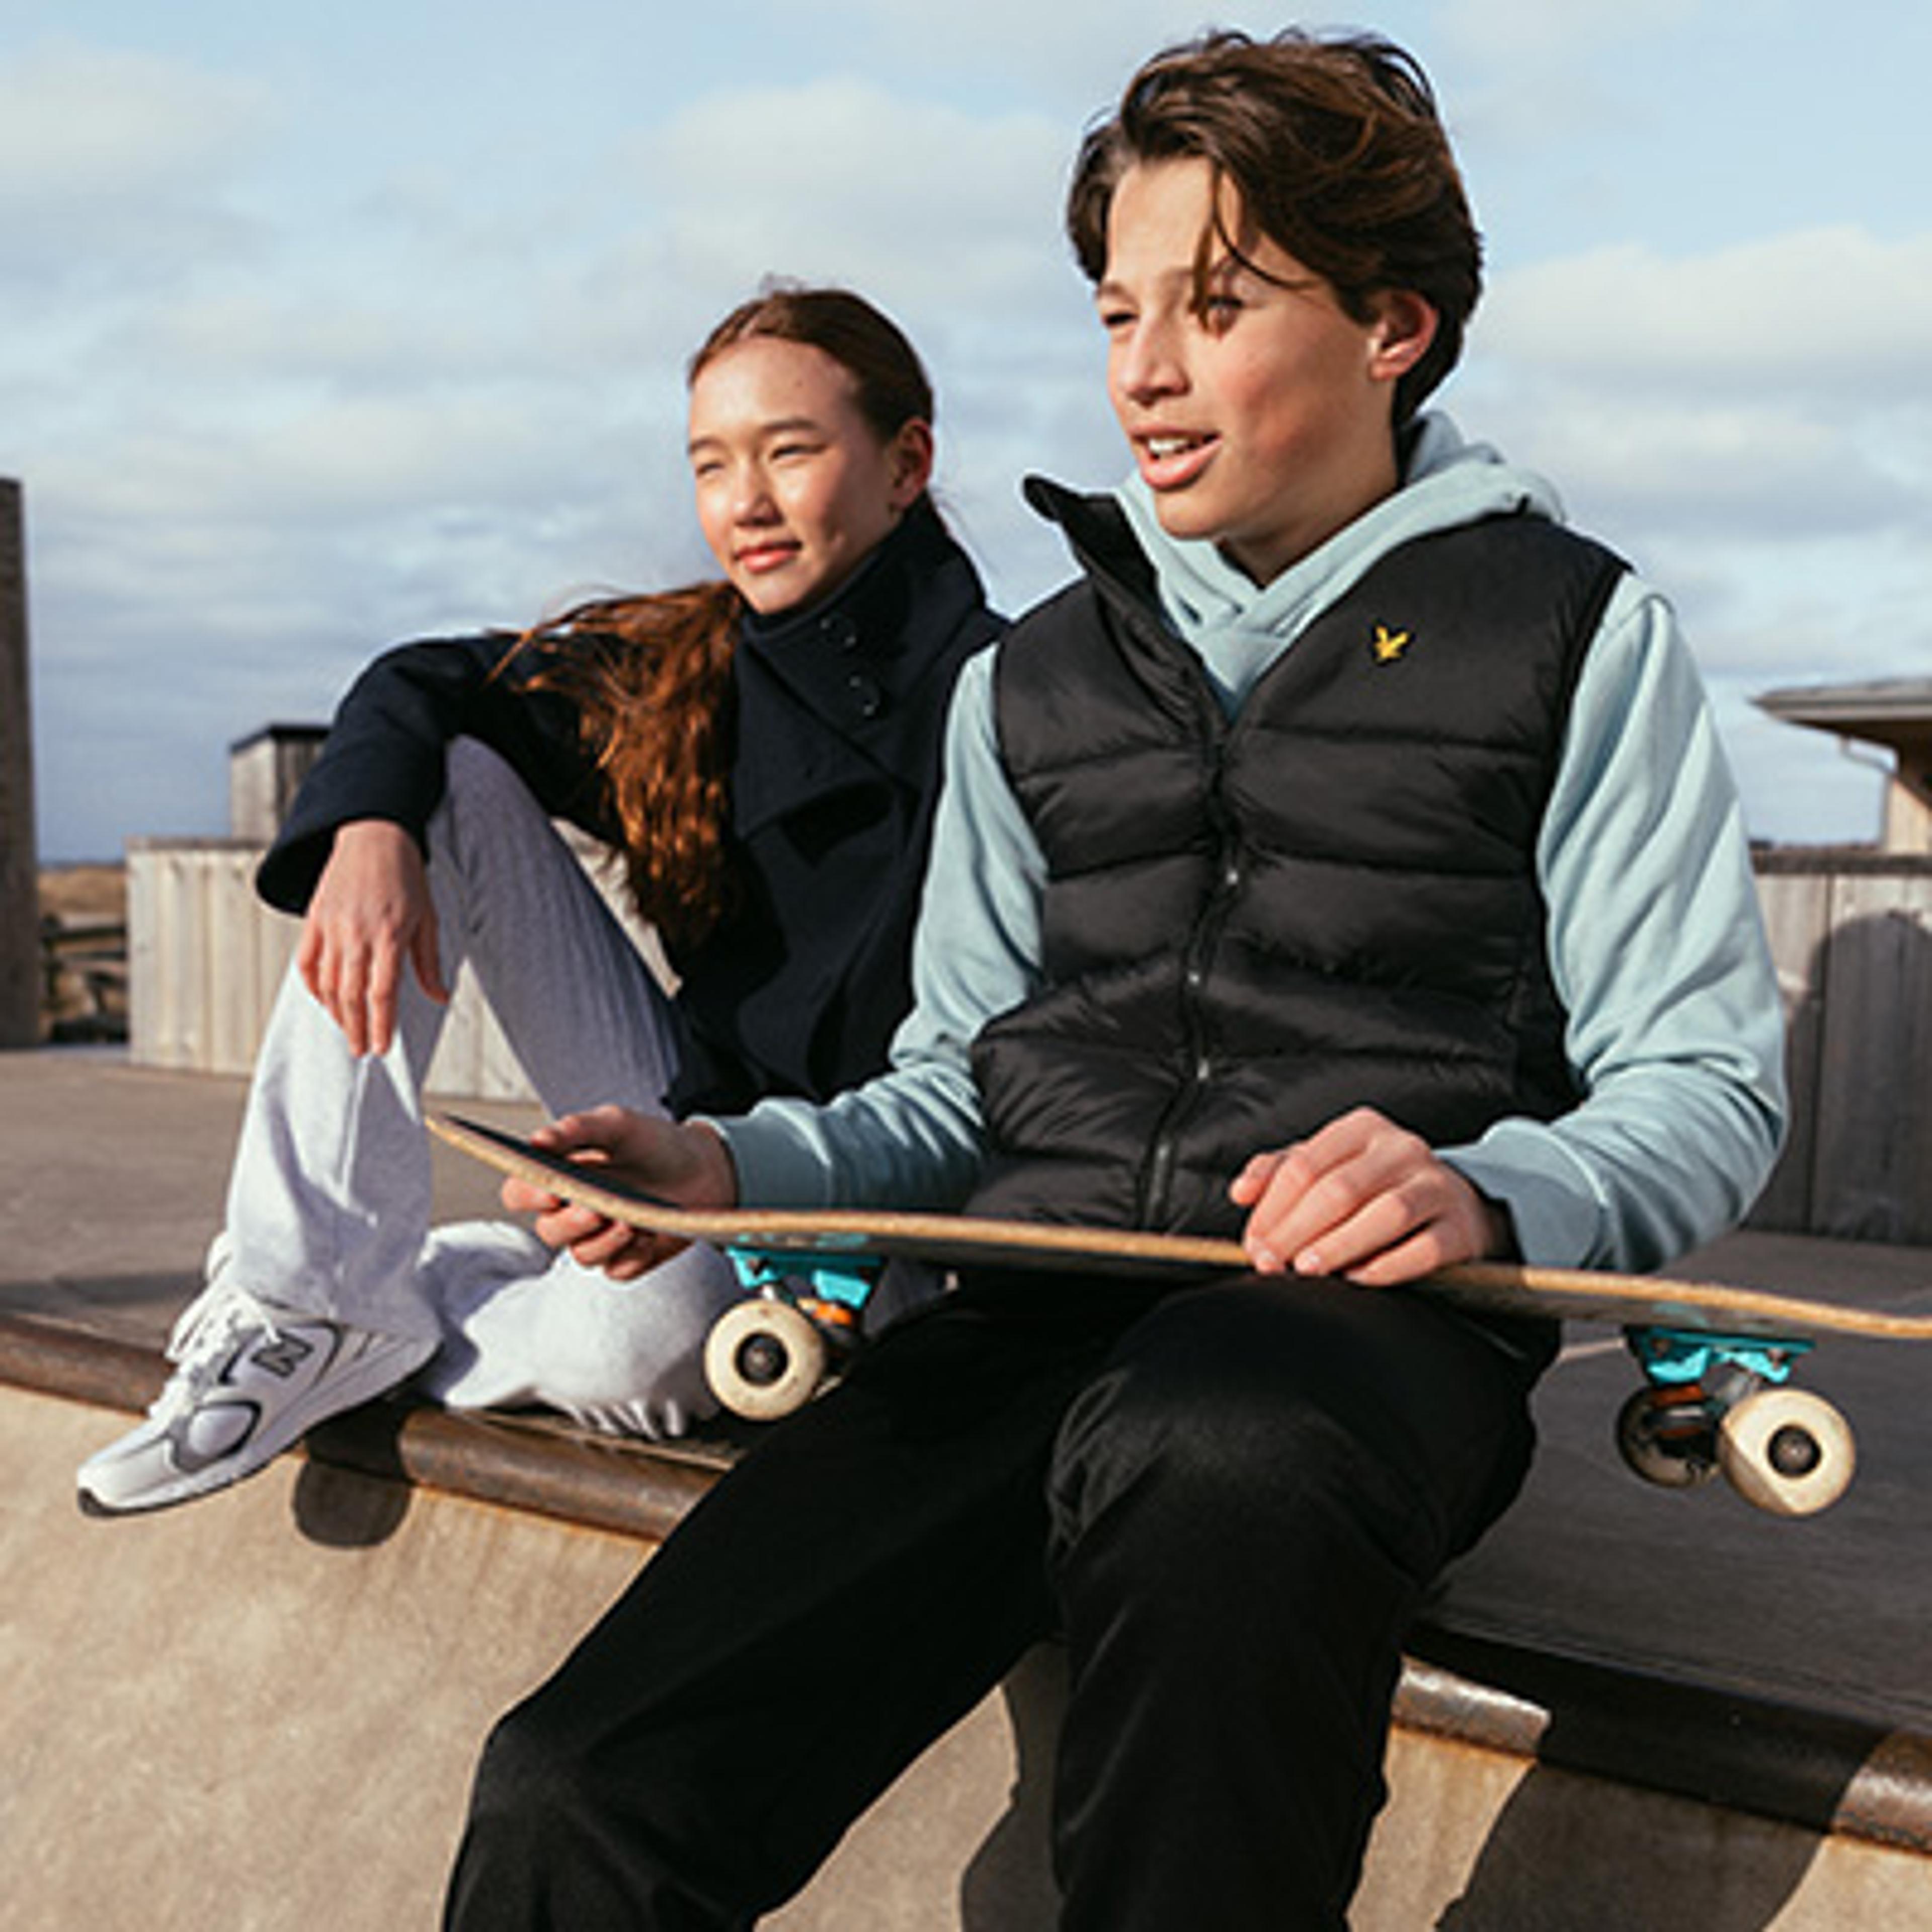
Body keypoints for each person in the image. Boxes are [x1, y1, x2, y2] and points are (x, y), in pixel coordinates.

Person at [442, 30, 1787, 1929]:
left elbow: (1706, 1081)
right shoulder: (1039, 678)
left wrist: (1486, 1188)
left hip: (1343, 1353)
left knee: (1208, 1446)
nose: (1142, 372)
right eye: (1116, 311)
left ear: (1392, 324)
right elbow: (954, 1086)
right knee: (585, 1783)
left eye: (1218, 305)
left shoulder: (1570, 634)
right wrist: (729, 1166)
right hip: (1020, 1326)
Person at [77, 284, 1003, 1515]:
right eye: (711, 465)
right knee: (447, 777)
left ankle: (417, 1298)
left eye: (791, 452)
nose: (746, 504)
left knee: (635, 1365)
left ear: (907, 462)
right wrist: (368, 830)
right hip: (683, 1129)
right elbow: (423, 678)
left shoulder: (1019, 693)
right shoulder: (684, 670)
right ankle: (304, 1299)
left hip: (886, 1202)